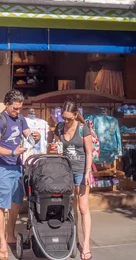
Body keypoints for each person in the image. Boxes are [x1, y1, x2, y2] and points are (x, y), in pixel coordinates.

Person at [0, 89, 41, 260]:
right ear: (7, 104)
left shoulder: (20, 119)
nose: (18, 111)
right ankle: (2, 243)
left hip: (17, 167)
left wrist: (36, 136)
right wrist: (12, 152)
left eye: (20, 108)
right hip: (2, 167)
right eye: (15, 108)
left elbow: (30, 138)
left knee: (16, 203)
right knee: (1, 205)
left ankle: (10, 234)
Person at [49, 101, 93, 260]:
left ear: (75, 115)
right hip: (64, 171)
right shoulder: (59, 128)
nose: (66, 121)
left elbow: (89, 153)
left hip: (80, 171)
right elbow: (55, 148)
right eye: (64, 118)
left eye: (69, 119)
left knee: (83, 208)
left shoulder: (83, 129)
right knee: (70, 208)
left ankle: (86, 244)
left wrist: (87, 173)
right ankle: (74, 238)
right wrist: (53, 149)